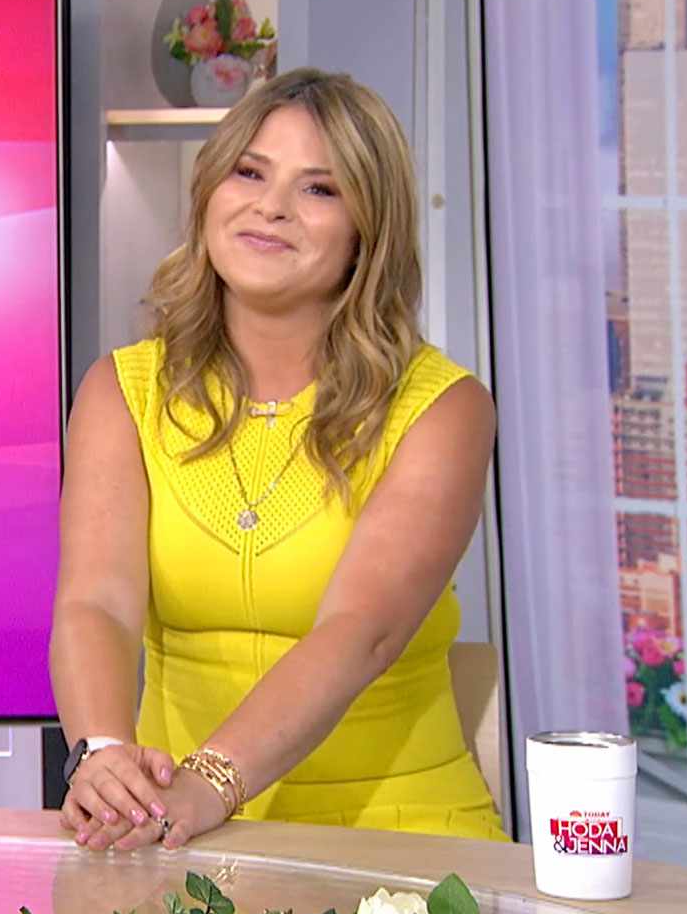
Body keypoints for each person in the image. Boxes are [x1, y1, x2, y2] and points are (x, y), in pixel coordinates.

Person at [49, 68, 503, 852]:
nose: (271, 206)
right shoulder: (121, 391)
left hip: (400, 840)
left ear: (370, 228)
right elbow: (99, 603)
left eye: (319, 189)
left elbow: (361, 630)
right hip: (168, 834)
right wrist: (102, 756)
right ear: (210, 192)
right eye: (249, 171)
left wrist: (211, 782)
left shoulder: (443, 408)